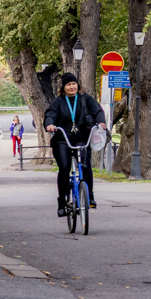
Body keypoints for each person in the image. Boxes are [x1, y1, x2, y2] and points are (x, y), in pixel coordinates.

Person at [44, 72, 107, 216]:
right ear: (63, 87)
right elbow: (50, 114)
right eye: (68, 85)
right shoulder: (58, 102)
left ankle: (89, 195)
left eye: (73, 84)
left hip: (81, 137)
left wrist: (101, 122)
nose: (72, 87)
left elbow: (97, 111)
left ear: (77, 85)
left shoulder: (85, 99)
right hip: (63, 138)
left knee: (85, 164)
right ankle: (61, 202)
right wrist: (50, 124)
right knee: (65, 167)